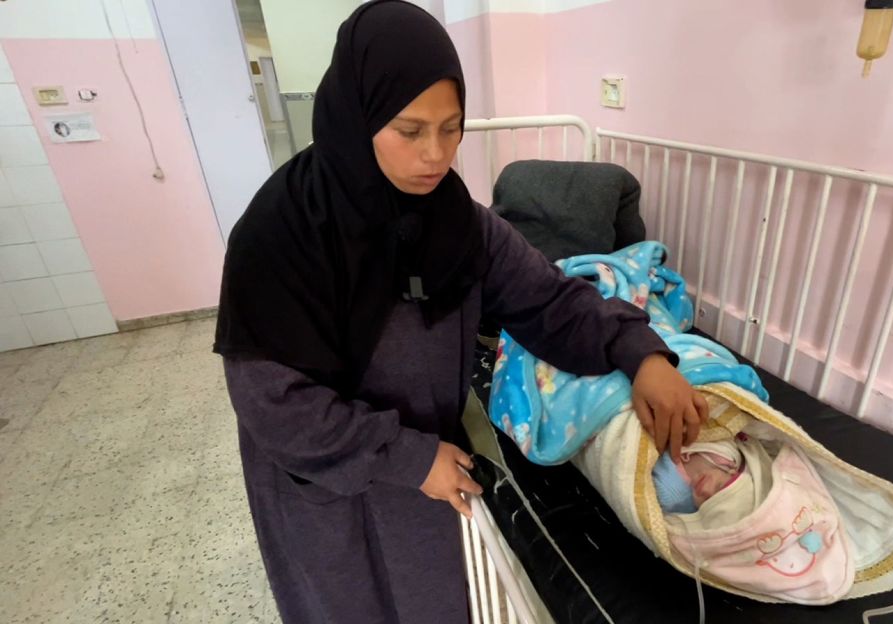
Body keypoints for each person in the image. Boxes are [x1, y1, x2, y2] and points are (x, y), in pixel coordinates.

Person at [213, 1, 707, 622]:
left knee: (429, 598)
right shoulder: (279, 235)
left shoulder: (456, 223)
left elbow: (548, 300)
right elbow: (273, 404)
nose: (436, 155)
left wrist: (638, 353)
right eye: (410, 130)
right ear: (356, 116)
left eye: (451, 128)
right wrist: (408, 457)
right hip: (325, 480)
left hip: (419, 469)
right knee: (346, 605)